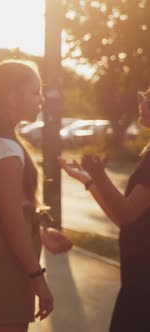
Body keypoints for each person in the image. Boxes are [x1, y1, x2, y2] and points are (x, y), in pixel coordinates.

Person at [0, 61, 59, 332]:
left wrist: (41, 232)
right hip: (5, 262)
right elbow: (11, 218)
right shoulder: (4, 147)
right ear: (10, 96)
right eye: (34, 92)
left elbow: (8, 208)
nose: (40, 100)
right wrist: (37, 278)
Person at [59, 86, 150, 332]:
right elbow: (126, 219)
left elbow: (128, 214)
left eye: (146, 97)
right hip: (137, 282)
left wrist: (99, 175)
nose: (141, 102)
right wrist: (90, 181)